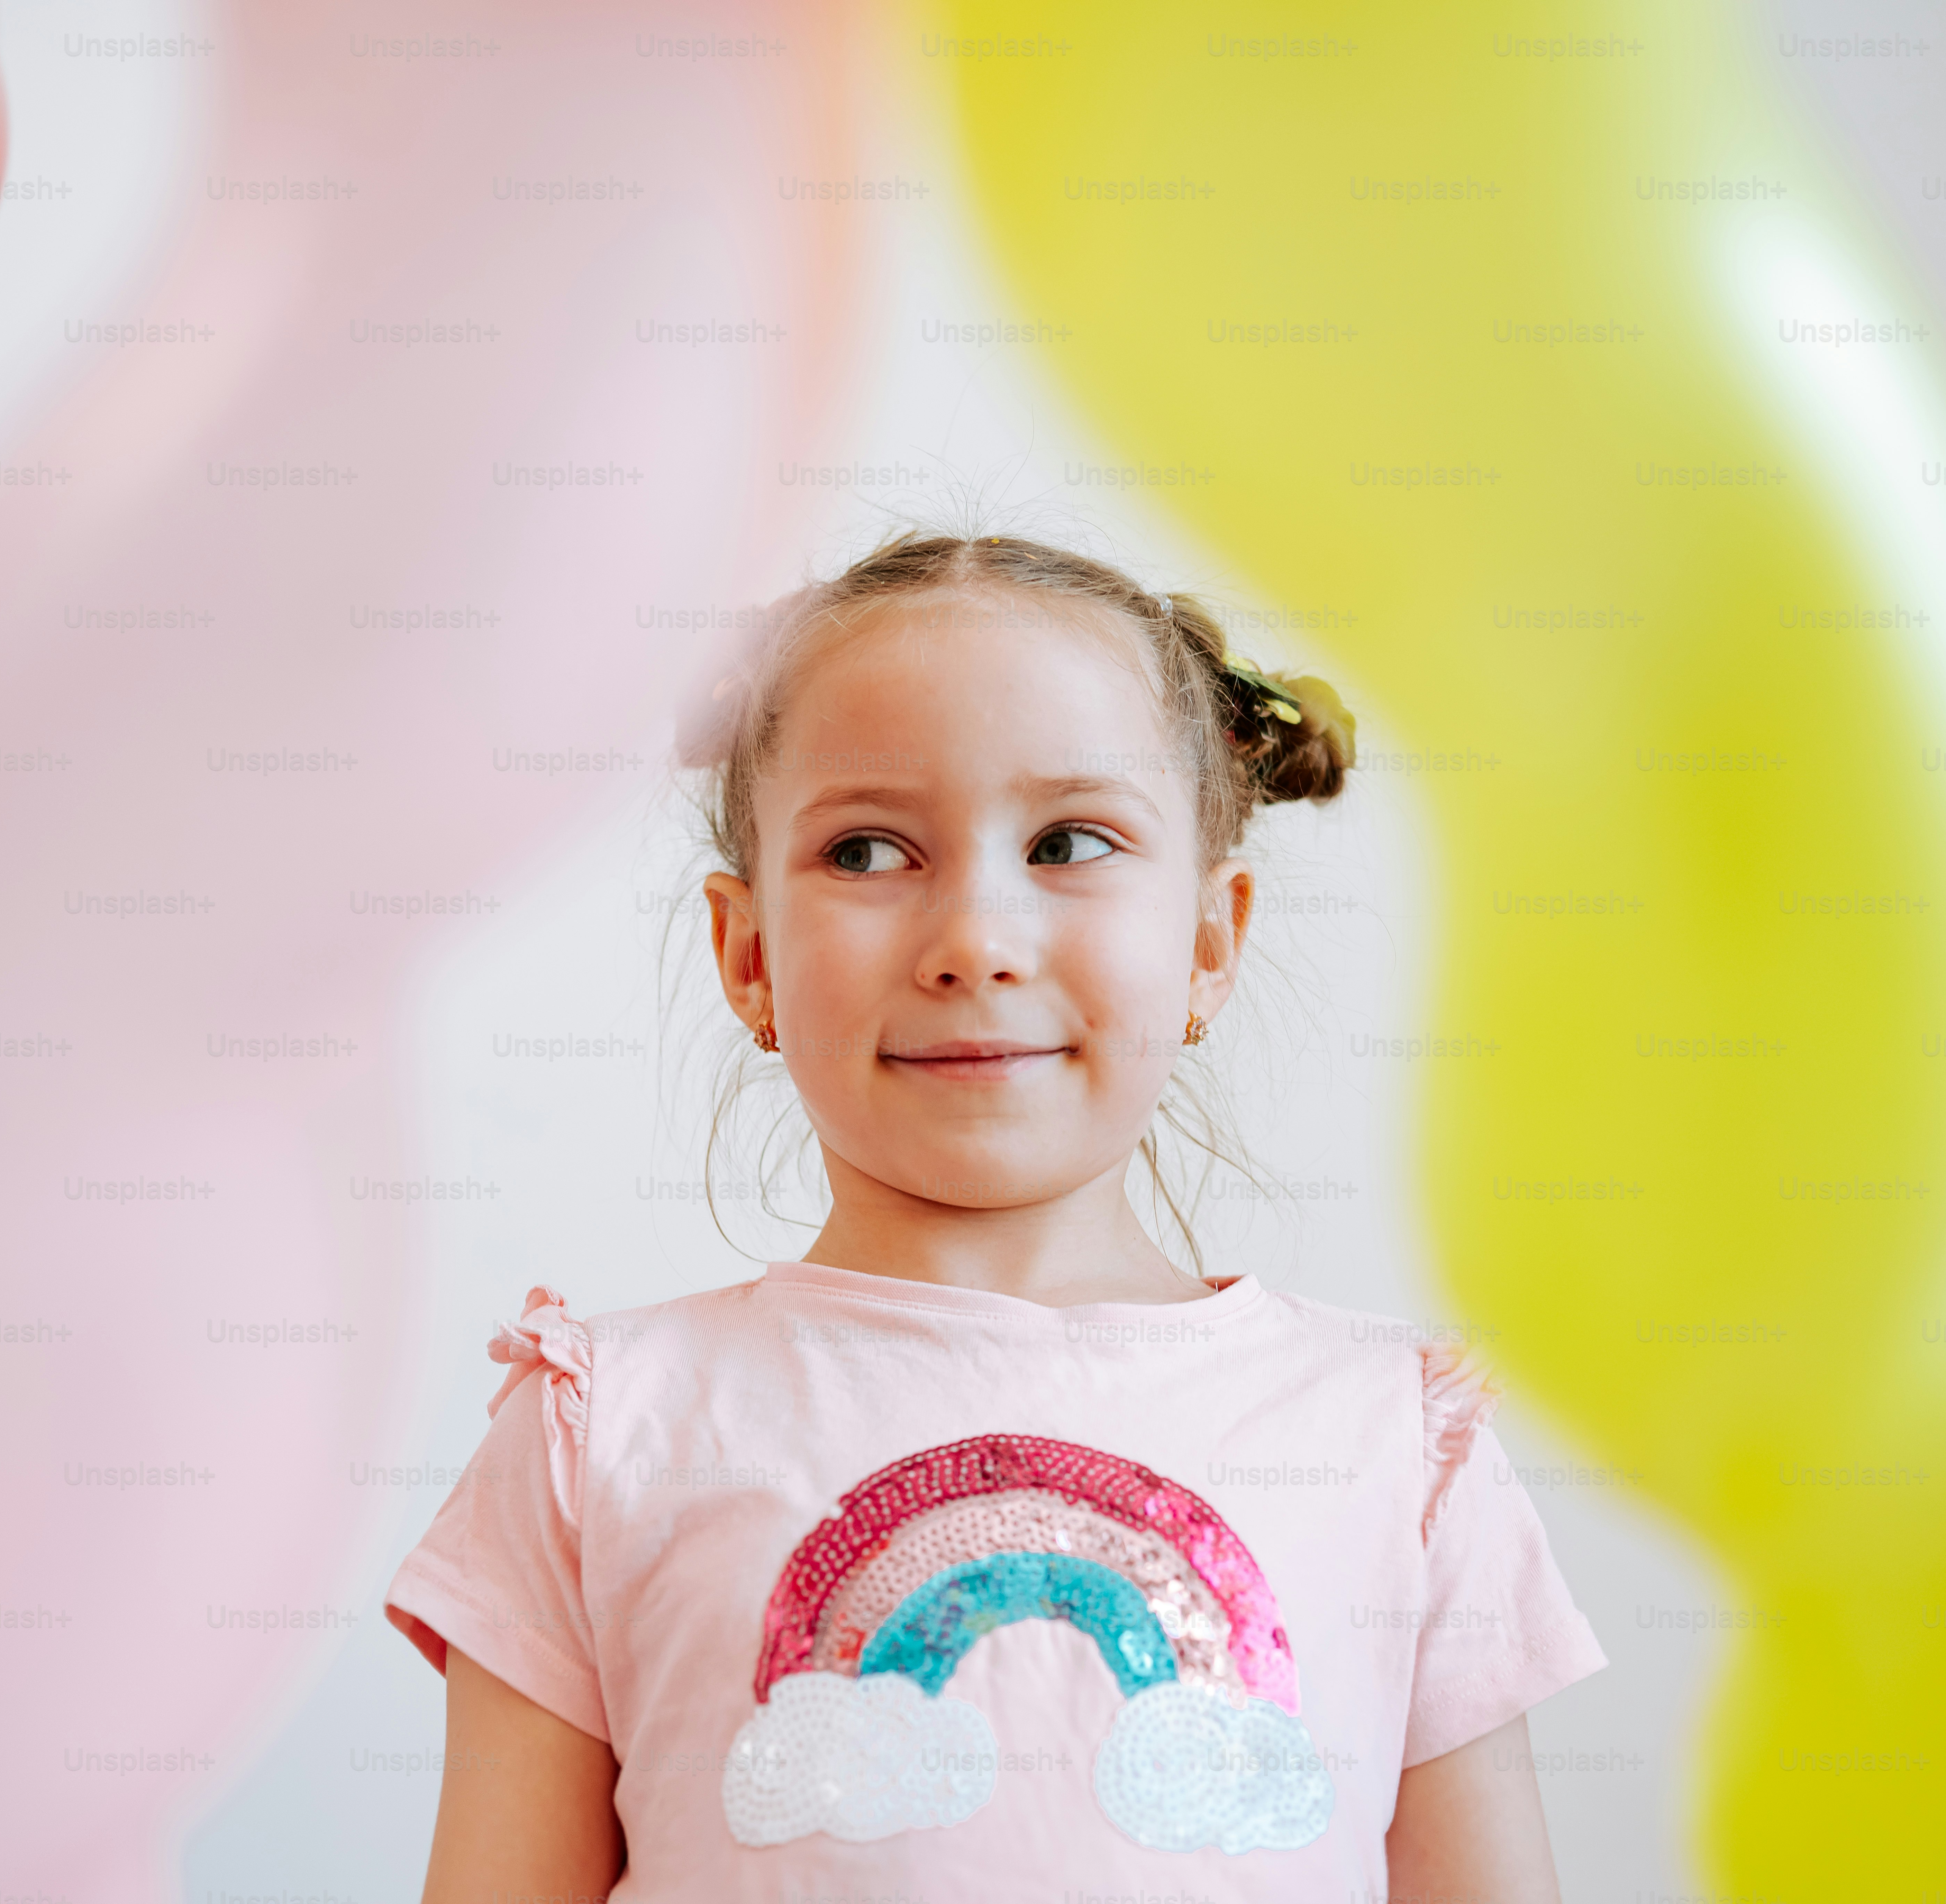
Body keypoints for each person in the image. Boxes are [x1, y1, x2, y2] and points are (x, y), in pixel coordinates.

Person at [386, 531, 1606, 1900]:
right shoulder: (599, 1434)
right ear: (749, 954)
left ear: (1210, 939)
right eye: (867, 851)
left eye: (1069, 843)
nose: (974, 939)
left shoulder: (1396, 1445)